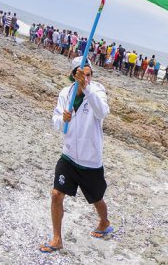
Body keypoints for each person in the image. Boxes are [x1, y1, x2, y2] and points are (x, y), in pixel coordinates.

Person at [39, 57, 112, 253]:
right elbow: (57, 122)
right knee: (56, 195)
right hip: (69, 156)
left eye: (89, 75)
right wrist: (63, 119)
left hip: (91, 160)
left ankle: (104, 222)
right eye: (82, 75)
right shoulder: (65, 93)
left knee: (97, 199)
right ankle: (57, 238)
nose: (86, 78)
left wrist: (86, 88)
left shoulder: (97, 90)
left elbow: (102, 112)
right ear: (73, 75)